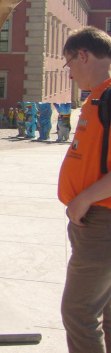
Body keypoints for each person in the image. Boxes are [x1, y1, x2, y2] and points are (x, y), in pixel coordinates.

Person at [59, 26, 111, 353]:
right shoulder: (97, 96)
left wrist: (84, 199)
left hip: (101, 222)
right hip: (93, 221)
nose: (69, 73)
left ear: (84, 55)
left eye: (69, 63)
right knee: (104, 310)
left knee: (78, 311)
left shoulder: (108, 96)